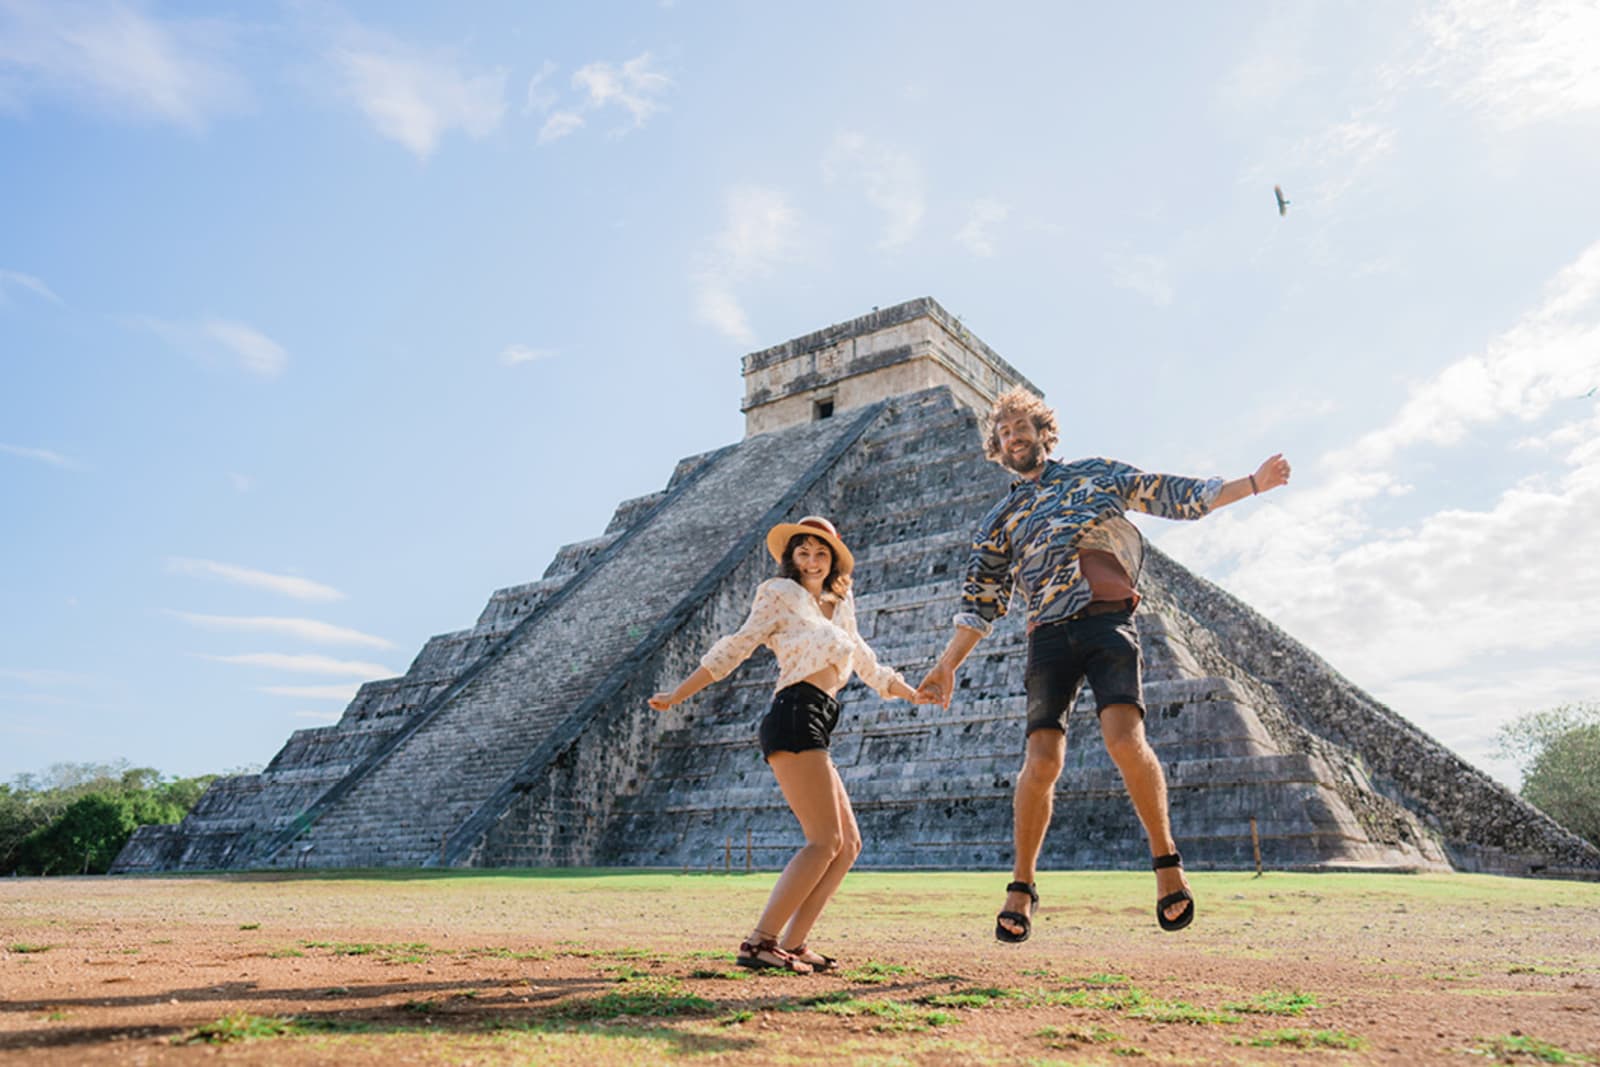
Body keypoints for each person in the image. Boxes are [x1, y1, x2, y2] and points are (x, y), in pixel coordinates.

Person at [917, 386, 1290, 942]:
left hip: (1105, 621)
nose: (1015, 436)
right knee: (1040, 761)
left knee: (1124, 740)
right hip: (1047, 635)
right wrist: (948, 664)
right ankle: (1021, 886)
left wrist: (1253, 484)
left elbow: (1172, 494)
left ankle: (1168, 867)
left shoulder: (1095, 475)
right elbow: (981, 602)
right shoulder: (1000, 519)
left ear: (1045, 433)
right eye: (1005, 432)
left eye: (1024, 427)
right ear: (997, 446)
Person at [650, 515, 928, 973]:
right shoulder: (778, 595)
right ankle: (760, 942)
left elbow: (867, 663)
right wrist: (679, 693)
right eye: (803, 552)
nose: (813, 560)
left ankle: (794, 944)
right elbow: (737, 645)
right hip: (794, 712)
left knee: (848, 844)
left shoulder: (841, 602)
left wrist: (912, 691)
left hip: (820, 717)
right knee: (824, 840)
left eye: (821, 553)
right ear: (791, 558)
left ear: (833, 559)